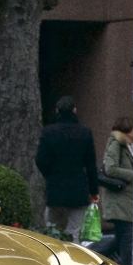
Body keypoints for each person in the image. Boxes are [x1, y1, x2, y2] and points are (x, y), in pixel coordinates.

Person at [35, 96, 99, 240]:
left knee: (52, 229)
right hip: (78, 189)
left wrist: (50, 175)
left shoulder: (48, 132)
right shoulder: (84, 133)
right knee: (74, 230)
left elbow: (40, 160)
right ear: (74, 110)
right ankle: (72, 258)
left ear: (57, 111)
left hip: (55, 188)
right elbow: (90, 165)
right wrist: (94, 191)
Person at [101, 116, 133, 265]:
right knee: (126, 237)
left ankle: (97, 255)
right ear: (126, 132)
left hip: (123, 201)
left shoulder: (127, 146)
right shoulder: (116, 144)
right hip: (119, 201)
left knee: (122, 237)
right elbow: (110, 168)